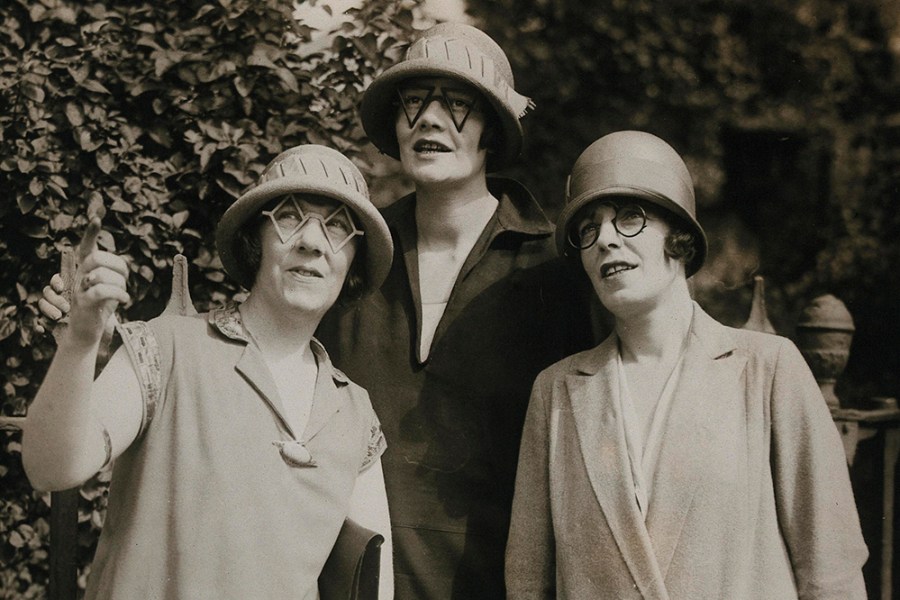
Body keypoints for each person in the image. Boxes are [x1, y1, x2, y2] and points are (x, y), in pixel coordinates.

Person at [505, 130, 868, 599]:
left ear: (678, 237)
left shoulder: (767, 370)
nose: (605, 241)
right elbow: (527, 582)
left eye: (629, 218)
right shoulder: (557, 392)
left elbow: (832, 570)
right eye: (588, 229)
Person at [23, 145, 395, 599]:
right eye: (290, 217)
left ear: (354, 258)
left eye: (337, 226)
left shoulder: (354, 414)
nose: (312, 242)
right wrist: (81, 343)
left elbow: (373, 587)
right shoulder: (165, 348)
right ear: (255, 239)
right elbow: (51, 468)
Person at [315, 22, 602, 599]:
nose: (429, 120)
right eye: (413, 102)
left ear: (493, 126)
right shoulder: (349, 256)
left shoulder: (555, 270)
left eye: (458, 104)